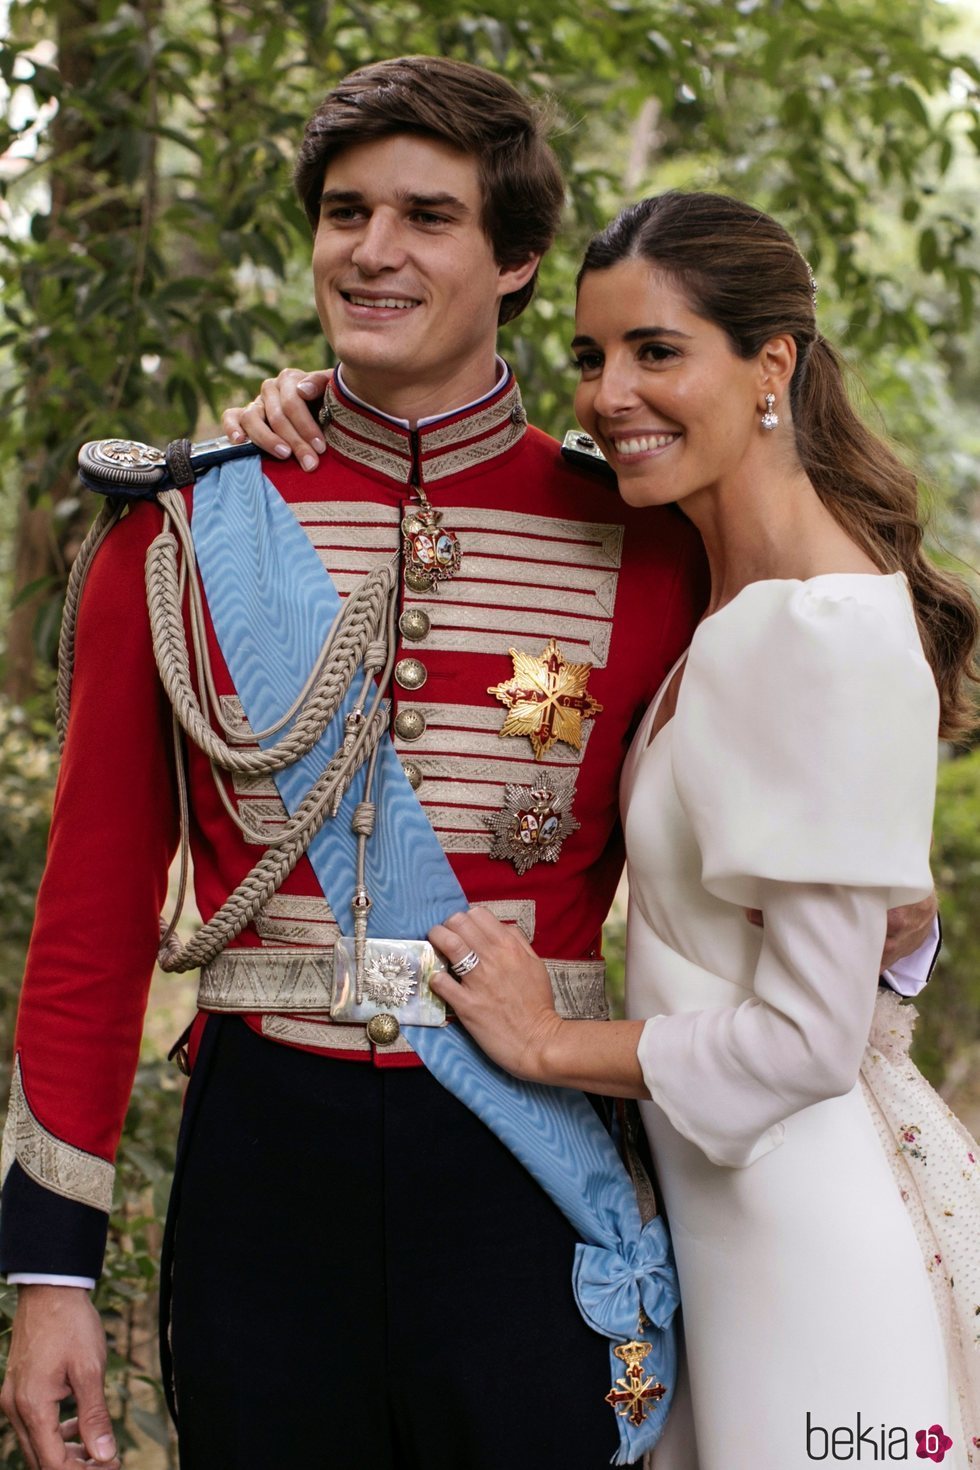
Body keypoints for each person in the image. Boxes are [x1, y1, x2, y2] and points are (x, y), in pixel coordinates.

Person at [0, 55, 937, 1470]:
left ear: (515, 262)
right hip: (265, 1176)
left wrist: (888, 930)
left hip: (529, 1176)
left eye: (426, 216)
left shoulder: (649, 536)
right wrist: (50, 1273)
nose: (373, 250)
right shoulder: (185, 534)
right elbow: (88, 923)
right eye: (344, 211)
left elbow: (806, 763)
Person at [415, 192, 980, 1468]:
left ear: (769, 363)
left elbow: (806, 1039)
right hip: (716, 1225)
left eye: (656, 351)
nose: (610, 393)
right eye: (590, 355)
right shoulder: (717, 585)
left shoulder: (816, 626)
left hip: (802, 1254)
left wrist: (551, 1042)